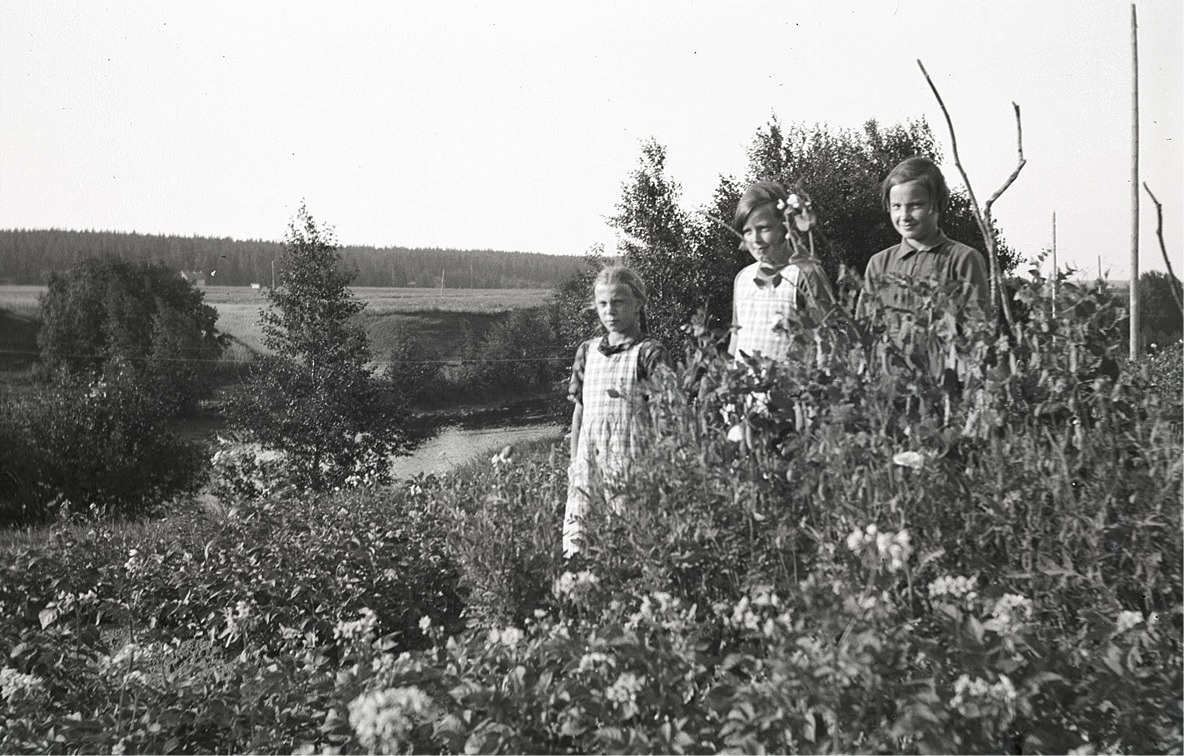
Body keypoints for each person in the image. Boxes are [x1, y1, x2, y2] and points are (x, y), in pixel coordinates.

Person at [563, 265, 668, 558]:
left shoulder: (649, 352)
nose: (610, 311)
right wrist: (575, 465)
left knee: (629, 544)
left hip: (632, 463)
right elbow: (580, 414)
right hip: (589, 465)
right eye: (603, 304)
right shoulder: (587, 352)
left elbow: (665, 415)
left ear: (638, 303)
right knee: (582, 545)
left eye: (619, 302)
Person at [858, 156, 990, 319]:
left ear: (936, 205)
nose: (904, 216)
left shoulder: (963, 259)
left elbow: (979, 330)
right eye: (897, 206)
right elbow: (864, 329)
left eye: (915, 205)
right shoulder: (879, 264)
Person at [729, 181, 836, 362]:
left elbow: (826, 345)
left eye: (764, 228)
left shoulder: (805, 274)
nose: (756, 239)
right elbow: (735, 343)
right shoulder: (743, 279)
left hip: (791, 385)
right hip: (748, 388)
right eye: (747, 231)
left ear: (785, 226)